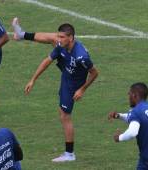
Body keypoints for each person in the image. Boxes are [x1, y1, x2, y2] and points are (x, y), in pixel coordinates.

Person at [24, 23, 98, 162]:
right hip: (67, 75)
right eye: (58, 36)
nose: (59, 39)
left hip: (73, 85)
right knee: (62, 112)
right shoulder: (61, 46)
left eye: (62, 37)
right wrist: (32, 80)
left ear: (71, 38)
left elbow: (94, 73)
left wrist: (82, 89)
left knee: (65, 115)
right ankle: (22, 34)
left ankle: (69, 154)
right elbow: (47, 61)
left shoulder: (81, 56)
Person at [108, 82, 148, 170]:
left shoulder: (136, 111)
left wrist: (119, 137)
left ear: (135, 95)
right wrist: (118, 116)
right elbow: (135, 118)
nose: (128, 96)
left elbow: (132, 132)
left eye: (129, 93)